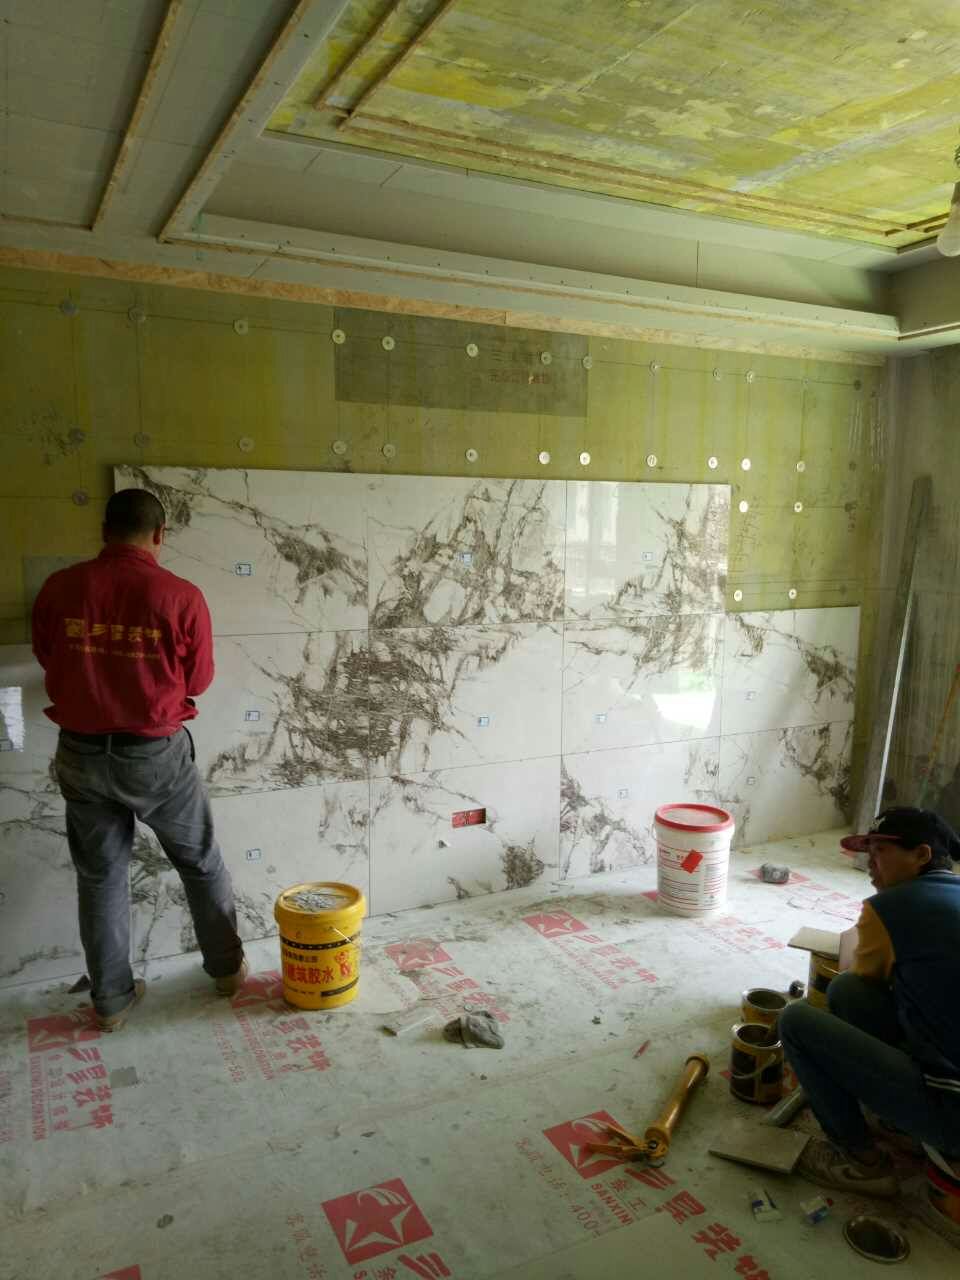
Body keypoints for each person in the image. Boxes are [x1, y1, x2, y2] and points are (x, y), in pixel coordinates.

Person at [32, 488, 246, 1031]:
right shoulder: (180, 595)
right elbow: (198, 679)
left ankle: (111, 1001)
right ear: (159, 534)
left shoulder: (60, 587)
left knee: (101, 877)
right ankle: (226, 971)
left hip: (81, 753)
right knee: (199, 863)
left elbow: (48, 655)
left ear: (104, 531)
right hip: (154, 756)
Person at [780, 807, 960, 1199]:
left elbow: (860, 970)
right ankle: (906, 1128)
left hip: (953, 1116)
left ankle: (862, 1161)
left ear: (922, 855)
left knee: (796, 1021)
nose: (869, 865)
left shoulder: (890, 907)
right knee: (849, 992)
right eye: (868, 852)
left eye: (880, 852)